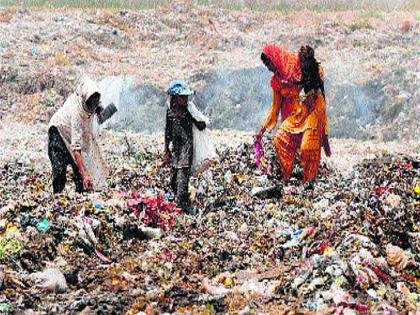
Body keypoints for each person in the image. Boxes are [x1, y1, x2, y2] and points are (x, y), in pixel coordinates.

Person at [255, 44, 331, 183]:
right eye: (267, 66)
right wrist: (262, 129)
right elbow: (274, 109)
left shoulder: (300, 65)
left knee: (307, 147)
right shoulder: (277, 81)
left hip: (312, 110)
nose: (269, 68)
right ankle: (287, 174)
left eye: (270, 64)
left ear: (276, 59)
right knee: (279, 139)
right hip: (295, 117)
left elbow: (318, 76)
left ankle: (309, 181)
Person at [48, 76, 117, 193]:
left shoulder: (92, 98)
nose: (95, 106)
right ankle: (57, 198)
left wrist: (107, 112)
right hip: (58, 132)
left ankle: (80, 198)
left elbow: (100, 116)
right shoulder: (77, 112)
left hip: (72, 133)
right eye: (93, 104)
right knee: (60, 171)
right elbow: (76, 147)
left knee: (79, 174)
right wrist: (84, 174)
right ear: (86, 100)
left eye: (97, 102)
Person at [164, 80, 207, 213]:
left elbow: (202, 125)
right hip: (176, 150)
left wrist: (195, 115)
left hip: (186, 150)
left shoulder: (188, 111)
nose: (186, 99)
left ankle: (182, 208)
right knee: (173, 181)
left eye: (187, 97)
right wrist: (166, 151)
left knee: (182, 181)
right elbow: (167, 131)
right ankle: (184, 203)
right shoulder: (170, 111)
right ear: (175, 98)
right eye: (183, 97)